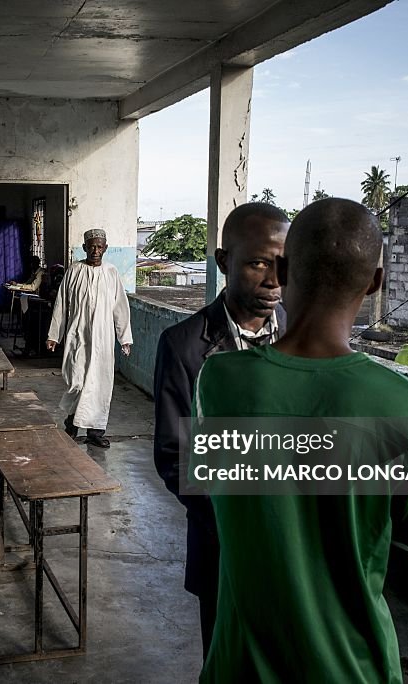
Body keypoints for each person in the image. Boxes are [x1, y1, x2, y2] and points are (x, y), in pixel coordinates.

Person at [193, 198, 408, 682]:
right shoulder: (405, 405)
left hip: (239, 668)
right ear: (376, 282)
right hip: (353, 668)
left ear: (285, 268)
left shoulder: (218, 382)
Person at [153, 202, 290, 658]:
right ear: (223, 262)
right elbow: (175, 456)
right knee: (225, 660)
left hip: (297, 555)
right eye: (257, 263)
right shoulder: (185, 345)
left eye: (283, 265)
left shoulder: (299, 335)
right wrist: (243, 524)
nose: (274, 280)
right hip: (223, 550)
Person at [47, 229, 133, 448]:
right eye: (92, 246)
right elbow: (61, 305)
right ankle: (72, 426)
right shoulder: (74, 271)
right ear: (85, 248)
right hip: (78, 337)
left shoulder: (112, 273)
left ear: (105, 248)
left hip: (103, 340)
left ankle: (96, 431)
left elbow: (120, 308)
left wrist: (124, 338)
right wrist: (54, 335)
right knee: (77, 381)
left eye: (100, 246)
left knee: (100, 384)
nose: (96, 250)